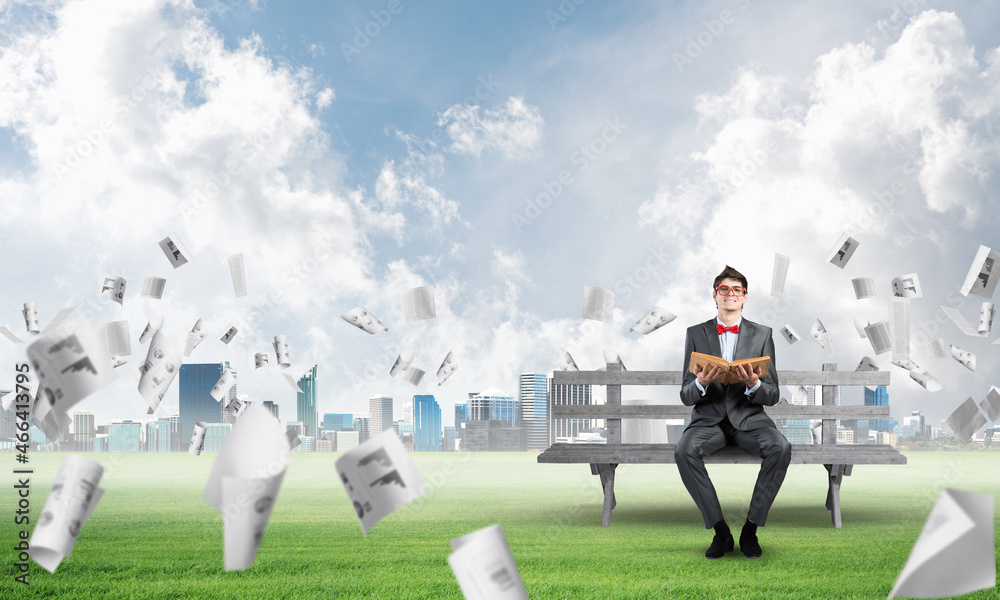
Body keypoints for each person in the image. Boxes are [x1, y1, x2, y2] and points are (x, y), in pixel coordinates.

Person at [675, 265, 791, 559]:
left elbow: (774, 394)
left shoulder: (763, 334)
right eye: (724, 289)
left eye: (736, 290)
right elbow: (686, 394)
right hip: (708, 421)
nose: (730, 294)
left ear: (745, 297)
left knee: (781, 446)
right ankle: (721, 532)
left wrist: (754, 383)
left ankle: (750, 530)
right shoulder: (694, 333)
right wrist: (701, 381)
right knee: (684, 450)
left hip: (750, 420)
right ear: (715, 296)